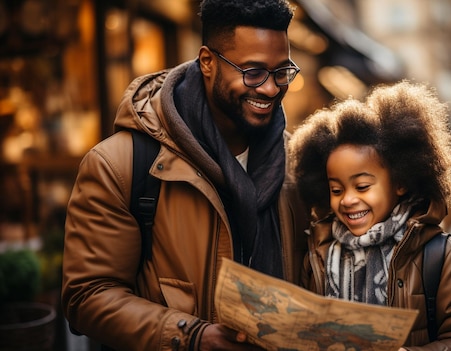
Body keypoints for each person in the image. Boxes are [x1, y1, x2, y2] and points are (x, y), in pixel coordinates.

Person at [62, 0, 309, 350]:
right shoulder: (119, 165)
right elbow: (86, 297)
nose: (270, 89)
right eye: (253, 72)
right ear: (208, 62)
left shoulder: (298, 163)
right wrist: (190, 336)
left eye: (281, 72)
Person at [288, 81, 451, 349]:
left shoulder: (444, 257)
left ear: (401, 182)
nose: (348, 199)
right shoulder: (318, 253)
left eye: (362, 186)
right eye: (336, 189)